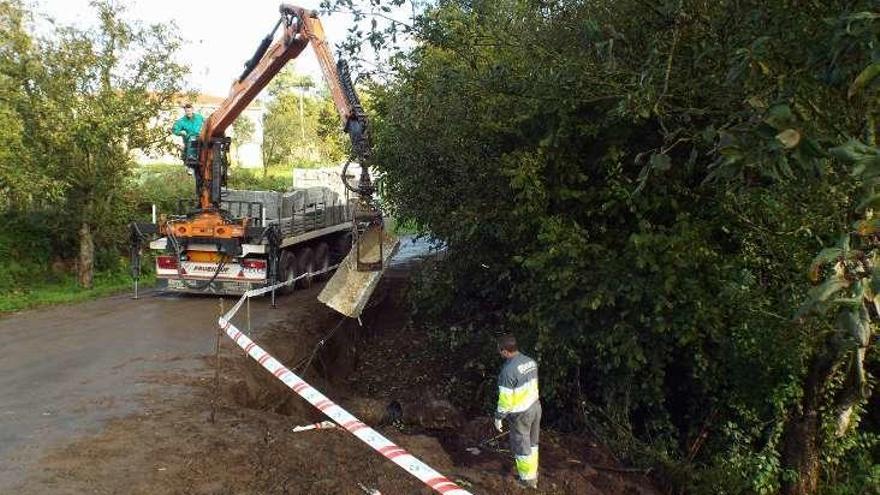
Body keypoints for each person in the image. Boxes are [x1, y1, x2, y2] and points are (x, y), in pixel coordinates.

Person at [494, 333, 541, 489]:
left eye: (499, 350)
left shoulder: (508, 371)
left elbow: (505, 400)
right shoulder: (530, 362)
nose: (499, 353)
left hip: (521, 414)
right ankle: (533, 474)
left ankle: (527, 480)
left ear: (505, 351)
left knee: (522, 447)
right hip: (535, 407)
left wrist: (499, 417)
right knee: (533, 443)